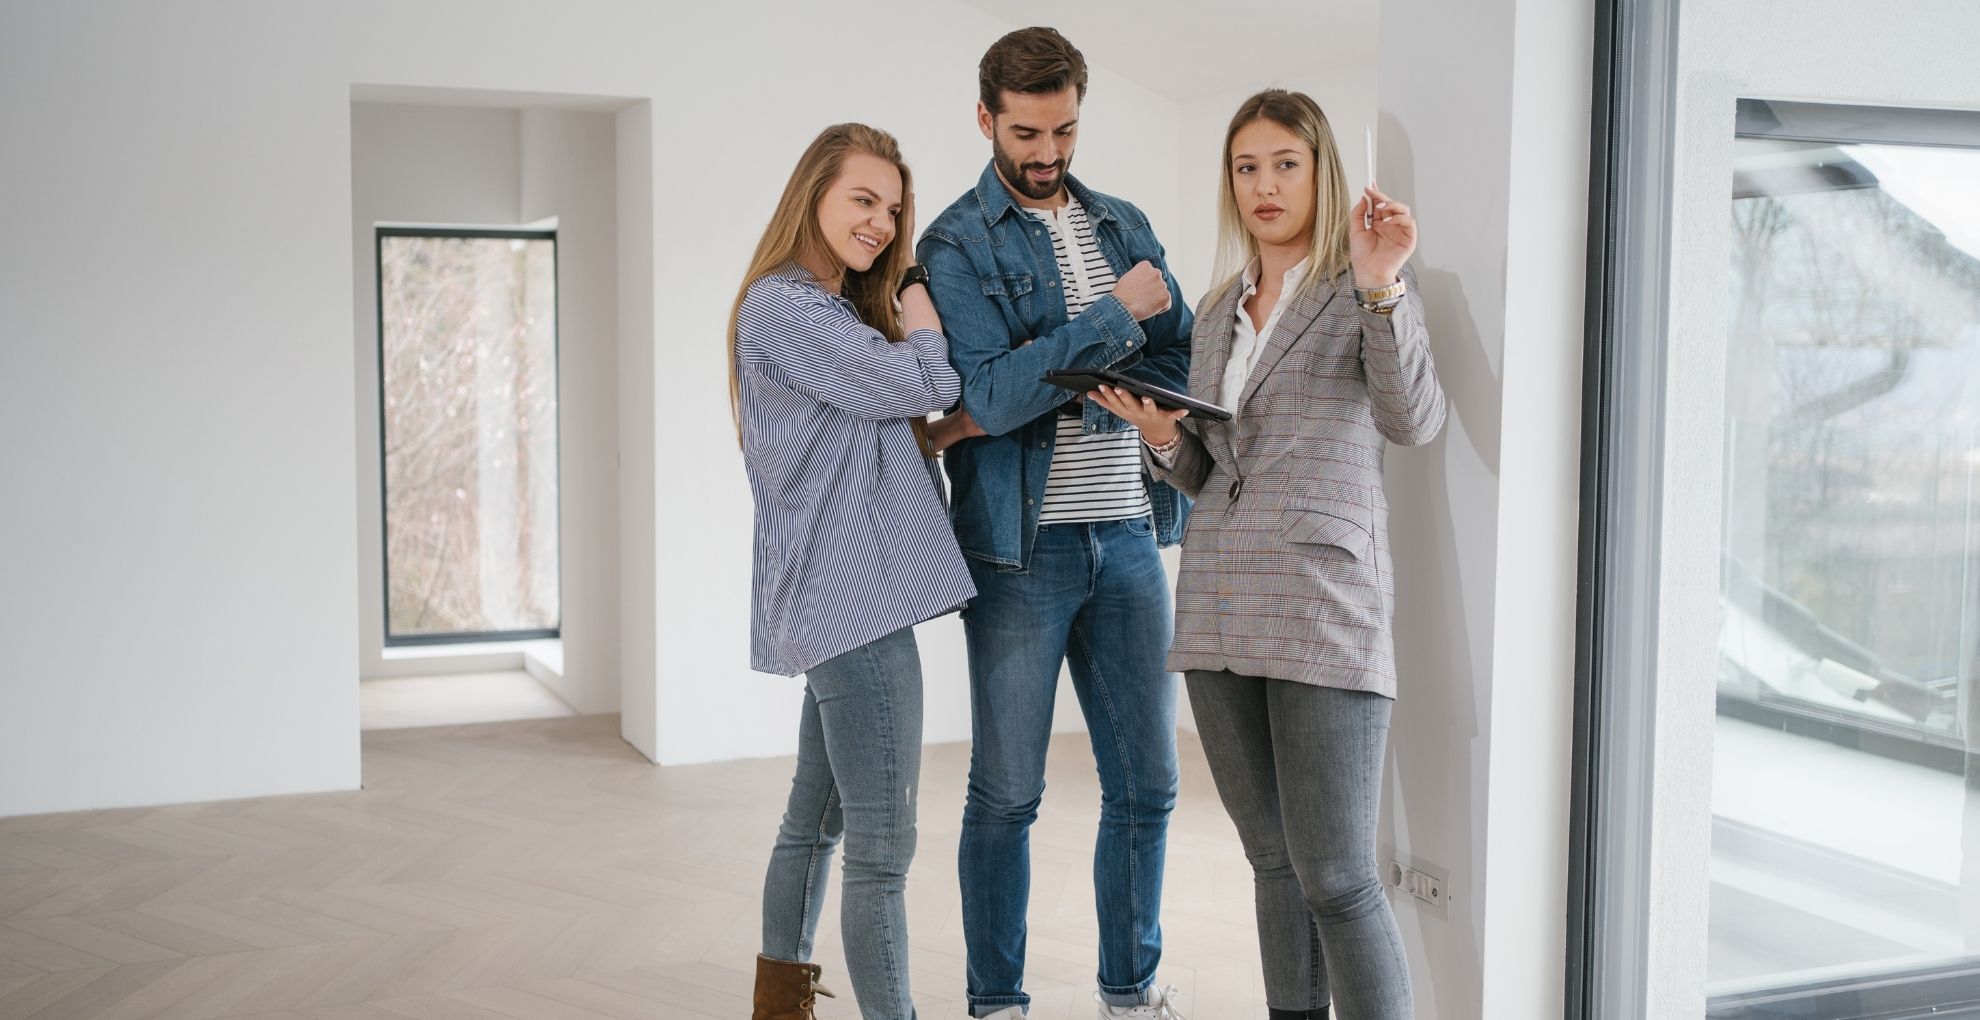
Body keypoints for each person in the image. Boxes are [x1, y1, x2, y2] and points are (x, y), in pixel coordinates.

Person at [1091, 88, 1446, 1020]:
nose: (1264, 184)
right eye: (1246, 167)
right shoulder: (1216, 311)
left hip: (1322, 602)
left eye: (1284, 163)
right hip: (1216, 605)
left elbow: (1414, 419)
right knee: (1272, 862)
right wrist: (1160, 435)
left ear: (1322, 171)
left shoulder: (1358, 288)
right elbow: (1210, 470)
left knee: (1336, 874)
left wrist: (1382, 284)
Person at [917, 27, 1195, 1020]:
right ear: (986, 117)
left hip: (1126, 537)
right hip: (1017, 553)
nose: (1047, 153)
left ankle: (1131, 989)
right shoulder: (954, 243)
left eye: (1065, 130)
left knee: (1149, 788)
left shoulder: (1123, 223)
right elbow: (987, 396)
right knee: (1005, 797)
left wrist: (1131, 385)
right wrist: (1110, 323)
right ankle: (997, 1002)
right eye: (1028, 132)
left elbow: (1180, 358)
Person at [732, 122, 975, 1020]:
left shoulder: (822, 311)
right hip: (855, 605)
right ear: (814, 195)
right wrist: (917, 302)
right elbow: (925, 382)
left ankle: (778, 1005)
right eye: (861, 201)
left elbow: (869, 430)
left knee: (818, 822)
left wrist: (932, 431)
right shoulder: (786, 307)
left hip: (839, 599)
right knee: (882, 847)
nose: (879, 223)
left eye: (892, 210)